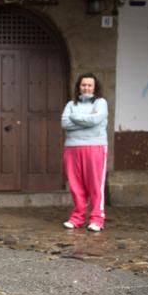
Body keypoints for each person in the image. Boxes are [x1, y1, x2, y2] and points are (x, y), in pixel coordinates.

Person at [60, 73, 108, 232]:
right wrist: (85, 120)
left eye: (89, 85)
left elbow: (95, 121)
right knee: (75, 185)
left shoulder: (101, 103)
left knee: (95, 184)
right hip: (72, 148)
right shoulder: (70, 104)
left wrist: (75, 118)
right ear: (79, 86)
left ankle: (97, 219)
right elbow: (65, 123)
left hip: (95, 147)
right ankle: (78, 218)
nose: (86, 88)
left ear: (95, 87)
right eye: (83, 85)